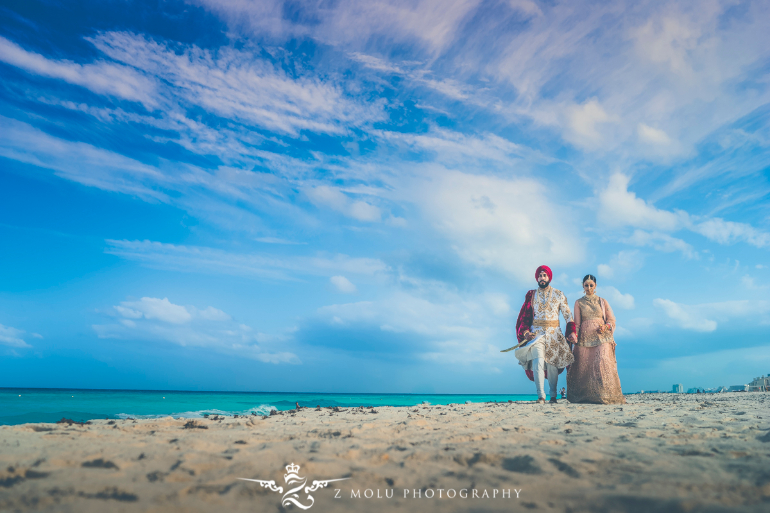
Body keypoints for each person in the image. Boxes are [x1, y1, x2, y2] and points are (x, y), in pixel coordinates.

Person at [515, 265, 576, 404]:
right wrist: (525, 332)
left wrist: (571, 331)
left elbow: (568, 316)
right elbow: (524, 318)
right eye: (540, 275)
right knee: (538, 361)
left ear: (549, 277)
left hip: (554, 334)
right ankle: (541, 396)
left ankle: (553, 396)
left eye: (545, 275)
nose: (542, 278)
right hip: (536, 334)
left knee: (552, 365)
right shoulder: (531, 295)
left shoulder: (559, 294)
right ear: (537, 278)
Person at [567, 274, 626, 404]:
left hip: (602, 337)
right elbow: (577, 324)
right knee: (584, 367)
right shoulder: (578, 302)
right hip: (584, 339)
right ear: (583, 286)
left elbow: (611, 319)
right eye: (586, 285)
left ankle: (606, 395)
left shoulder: (602, 301)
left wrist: (606, 327)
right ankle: (586, 396)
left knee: (602, 362)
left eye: (591, 285)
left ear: (596, 286)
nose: (589, 288)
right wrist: (574, 335)